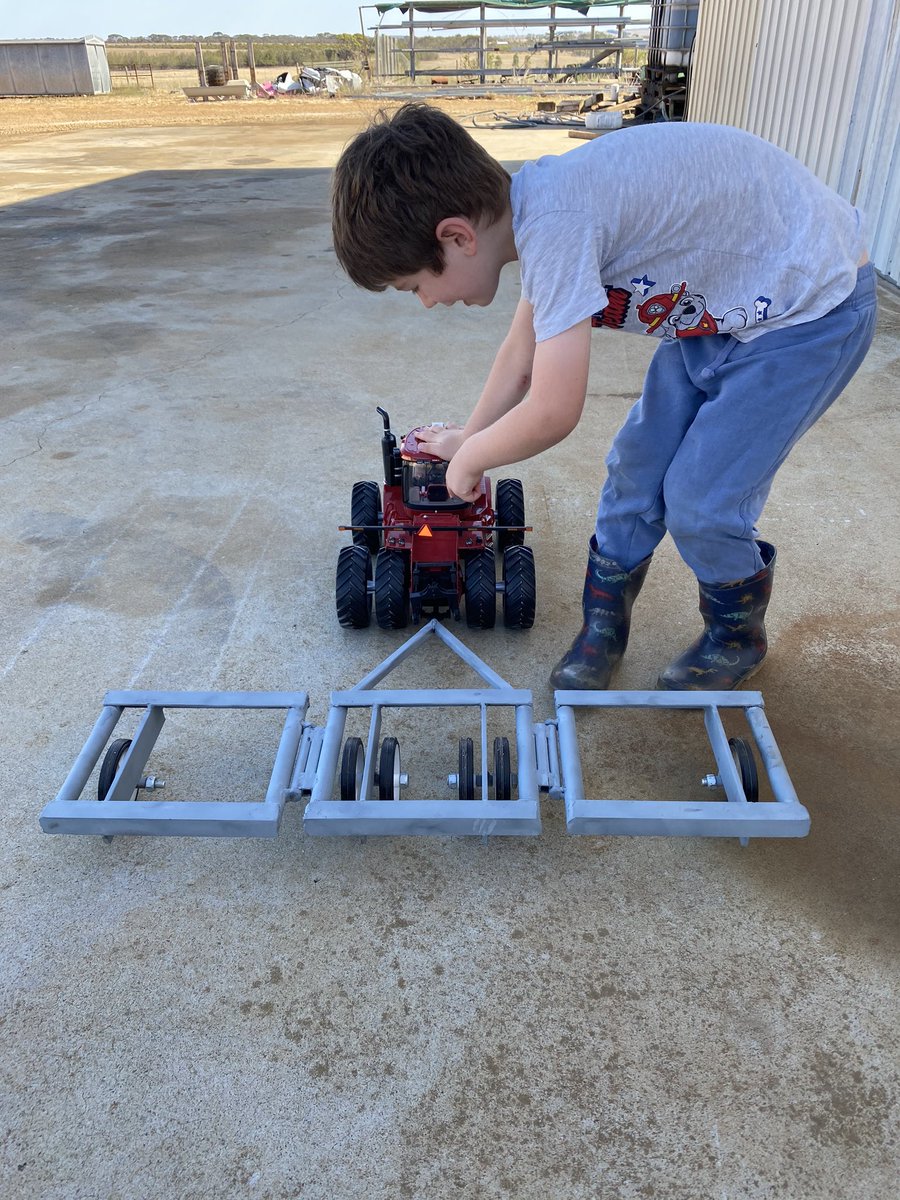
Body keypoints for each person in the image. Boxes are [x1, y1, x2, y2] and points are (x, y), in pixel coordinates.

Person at [331, 103, 876, 690]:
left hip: (808, 313)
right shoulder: (540, 209)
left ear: (457, 236)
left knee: (700, 501)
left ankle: (735, 634)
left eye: (416, 286)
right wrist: (471, 435)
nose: (427, 303)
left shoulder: (557, 226)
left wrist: (473, 459)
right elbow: (522, 358)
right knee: (635, 468)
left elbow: (553, 410)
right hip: (727, 310)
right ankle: (605, 623)